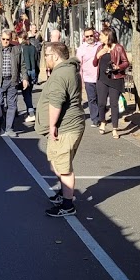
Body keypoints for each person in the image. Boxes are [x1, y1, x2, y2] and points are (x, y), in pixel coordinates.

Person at [38, 41, 86, 217]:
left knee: (64, 167)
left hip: (66, 127)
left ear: (56, 56)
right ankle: (63, 194)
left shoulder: (61, 75)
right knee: (56, 163)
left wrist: (52, 126)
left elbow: (56, 102)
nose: (45, 59)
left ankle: (68, 205)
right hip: (68, 126)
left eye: (47, 56)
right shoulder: (66, 70)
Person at [0, 29, 29, 135]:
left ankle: (9, 128)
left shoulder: (17, 49)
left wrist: (25, 78)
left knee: (12, 105)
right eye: (3, 39)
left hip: (12, 81)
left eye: (7, 39)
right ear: (0, 39)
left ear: (10, 39)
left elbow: (22, 65)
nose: (5, 41)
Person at [93, 29, 129, 138]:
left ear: (108, 36)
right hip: (102, 79)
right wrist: (98, 55)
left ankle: (114, 128)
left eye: (102, 36)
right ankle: (103, 121)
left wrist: (118, 67)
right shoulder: (100, 48)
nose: (99, 38)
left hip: (115, 78)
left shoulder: (118, 48)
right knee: (101, 103)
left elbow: (126, 62)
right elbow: (94, 64)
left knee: (114, 104)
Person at [76, 27, 102, 128]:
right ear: (84, 37)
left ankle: (101, 117)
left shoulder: (100, 46)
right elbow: (79, 65)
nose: (89, 38)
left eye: (91, 35)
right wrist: (80, 80)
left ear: (94, 35)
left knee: (101, 99)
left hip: (100, 77)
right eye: (87, 36)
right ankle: (95, 119)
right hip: (88, 78)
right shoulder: (81, 48)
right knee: (92, 99)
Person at [18, 31, 39, 124]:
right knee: (29, 92)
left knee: (25, 94)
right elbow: (37, 60)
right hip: (33, 71)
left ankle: (31, 113)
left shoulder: (20, 48)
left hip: (25, 71)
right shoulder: (33, 47)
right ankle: (29, 111)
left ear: (21, 38)